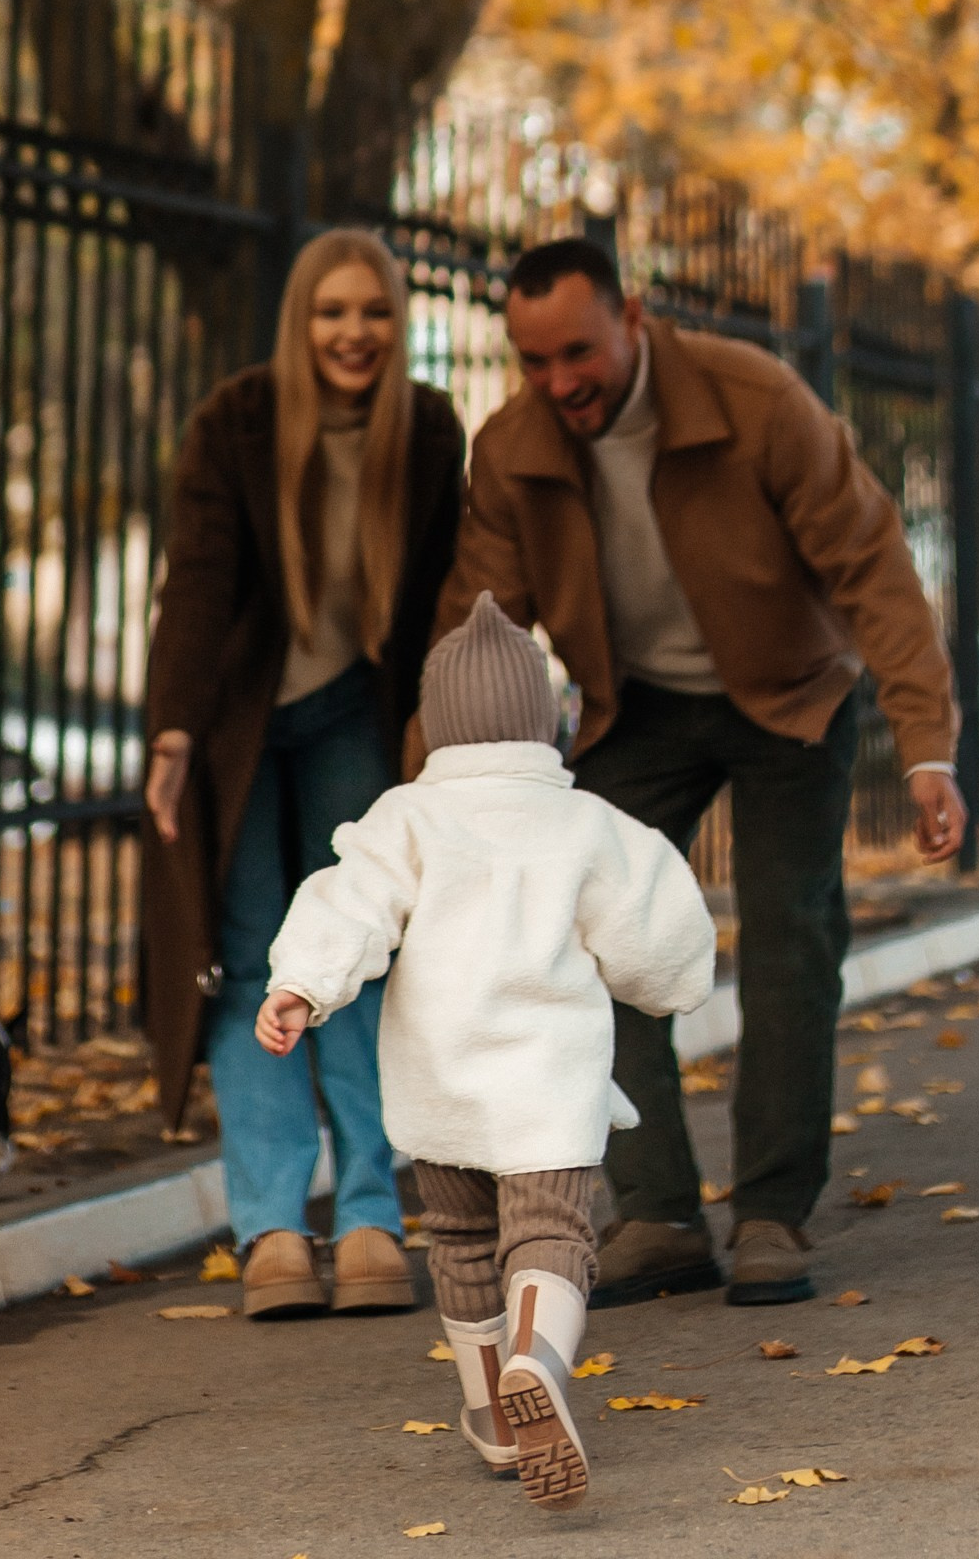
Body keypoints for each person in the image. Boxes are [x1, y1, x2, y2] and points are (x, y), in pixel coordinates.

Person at [430, 235, 963, 1312]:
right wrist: (434, 798)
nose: (559, 382)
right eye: (534, 362)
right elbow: (475, 629)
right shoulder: (517, 446)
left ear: (633, 315)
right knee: (591, 936)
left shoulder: (753, 399)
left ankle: (771, 1212)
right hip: (641, 708)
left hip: (792, 696)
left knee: (787, 933)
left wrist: (928, 747)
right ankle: (662, 1213)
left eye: (577, 352)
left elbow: (873, 566)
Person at [259, 594, 716, 1511]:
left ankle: (492, 1415)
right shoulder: (589, 824)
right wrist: (677, 984)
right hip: (548, 1090)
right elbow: (660, 939)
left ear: (437, 727)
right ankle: (538, 1361)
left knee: (463, 1242)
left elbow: (348, 902)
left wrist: (301, 986)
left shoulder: (405, 818)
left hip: (441, 1088)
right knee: (552, 1234)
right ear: (544, 724)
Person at [141, 227, 465, 1318]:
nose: (353, 332)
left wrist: (445, 726)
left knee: (359, 959)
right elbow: (198, 578)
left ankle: (372, 1220)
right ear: (301, 322)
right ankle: (274, 1231)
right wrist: (174, 729)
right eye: (331, 312)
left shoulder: (424, 429)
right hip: (239, 725)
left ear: (396, 320)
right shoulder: (235, 421)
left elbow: (444, 590)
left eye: (372, 310)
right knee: (245, 965)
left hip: (352, 719)